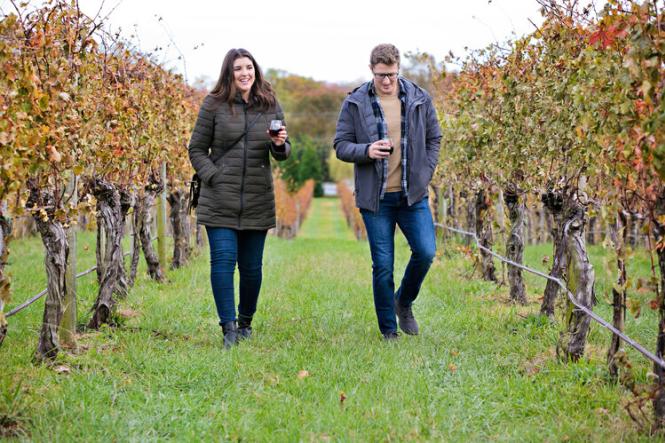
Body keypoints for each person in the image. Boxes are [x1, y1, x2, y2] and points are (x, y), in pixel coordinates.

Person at [334, 43, 441, 340]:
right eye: (381, 75)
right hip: (376, 198)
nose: (386, 81)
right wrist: (367, 150)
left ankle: (403, 301)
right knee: (382, 266)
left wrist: (425, 172)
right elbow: (341, 145)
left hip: (412, 195)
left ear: (398, 69)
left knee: (426, 252)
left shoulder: (419, 98)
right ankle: (388, 332)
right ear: (371, 70)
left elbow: (434, 138)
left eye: (391, 75)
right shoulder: (355, 102)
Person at [188, 48, 291, 348]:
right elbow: (196, 149)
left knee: (252, 268)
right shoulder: (213, 104)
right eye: (238, 69)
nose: (245, 73)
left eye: (249, 67)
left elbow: (282, 153)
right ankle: (228, 327)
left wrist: (280, 145)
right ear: (229, 73)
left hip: (258, 197)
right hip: (220, 197)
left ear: (255, 71)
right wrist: (214, 177)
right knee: (222, 261)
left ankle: (245, 321)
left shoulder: (270, 105)